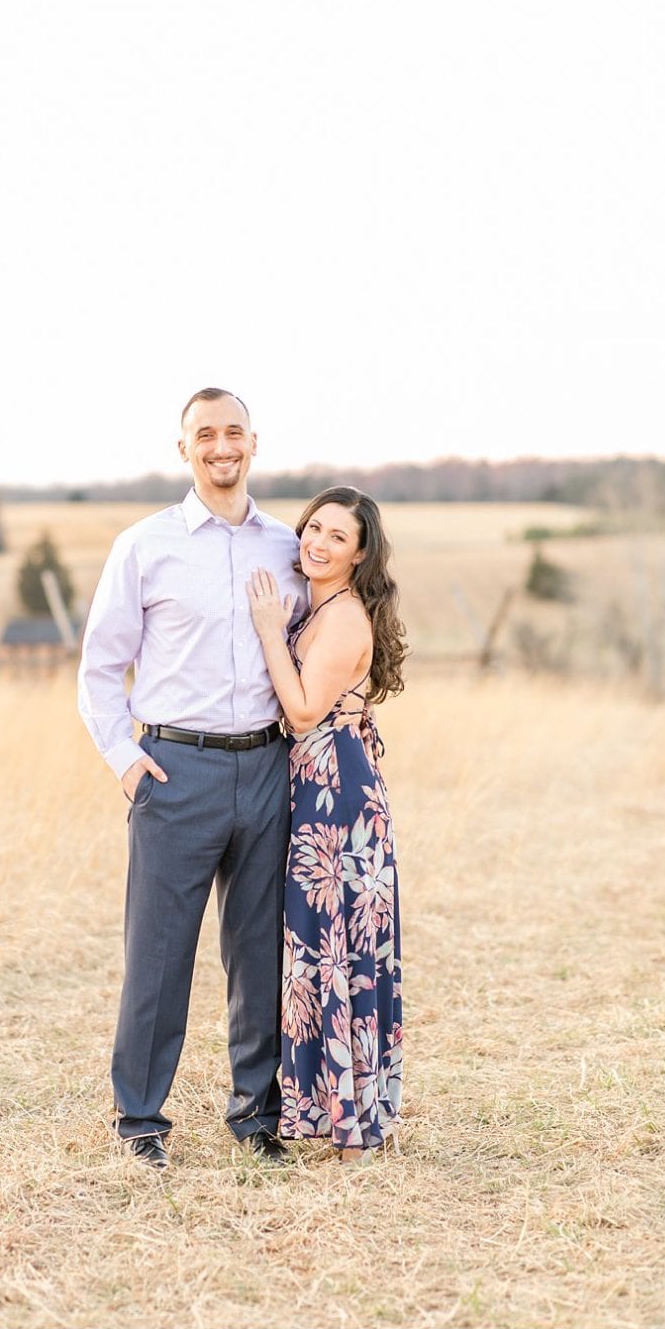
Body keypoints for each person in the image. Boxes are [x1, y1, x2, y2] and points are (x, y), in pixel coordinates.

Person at [76, 387, 307, 1170]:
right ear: (185, 449)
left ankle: (257, 1115)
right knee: (160, 952)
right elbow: (100, 666)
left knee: (260, 950)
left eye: (233, 432)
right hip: (177, 769)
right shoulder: (145, 545)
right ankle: (141, 1120)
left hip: (269, 765)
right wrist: (125, 760)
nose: (221, 446)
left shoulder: (287, 546)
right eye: (204, 434)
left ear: (253, 443)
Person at [246, 486, 405, 1162]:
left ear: (360, 552)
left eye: (337, 536)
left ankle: (355, 1127)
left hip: (337, 793)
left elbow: (306, 710)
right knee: (322, 949)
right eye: (313, 527)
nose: (317, 541)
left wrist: (264, 629)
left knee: (340, 951)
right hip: (316, 785)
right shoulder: (322, 606)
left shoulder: (342, 619)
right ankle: (338, 1111)